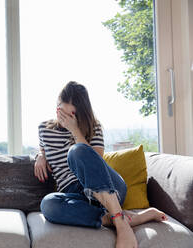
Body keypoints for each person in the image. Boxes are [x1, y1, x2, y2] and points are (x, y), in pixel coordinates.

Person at [34, 81, 167, 248]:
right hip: (76, 196)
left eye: (71, 114)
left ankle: (121, 224)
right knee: (48, 205)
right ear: (57, 107)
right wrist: (40, 155)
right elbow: (42, 146)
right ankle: (124, 217)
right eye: (62, 112)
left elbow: (95, 162)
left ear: (80, 112)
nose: (65, 119)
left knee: (77, 151)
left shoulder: (94, 127)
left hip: (108, 187)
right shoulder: (44, 129)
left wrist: (75, 131)